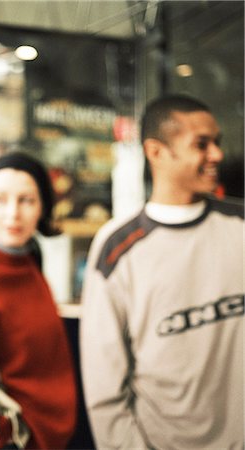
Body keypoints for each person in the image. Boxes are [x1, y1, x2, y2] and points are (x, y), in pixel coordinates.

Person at [80, 95, 244, 449]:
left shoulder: (239, 225)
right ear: (156, 152)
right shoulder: (117, 248)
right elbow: (105, 388)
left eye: (217, 142)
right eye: (201, 145)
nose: (216, 155)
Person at [0, 152, 77, 449]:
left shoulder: (30, 258)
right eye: (1, 199)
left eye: (26, 200)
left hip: (56, 434)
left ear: (42, 207)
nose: (13, 214)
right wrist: (10, 436)